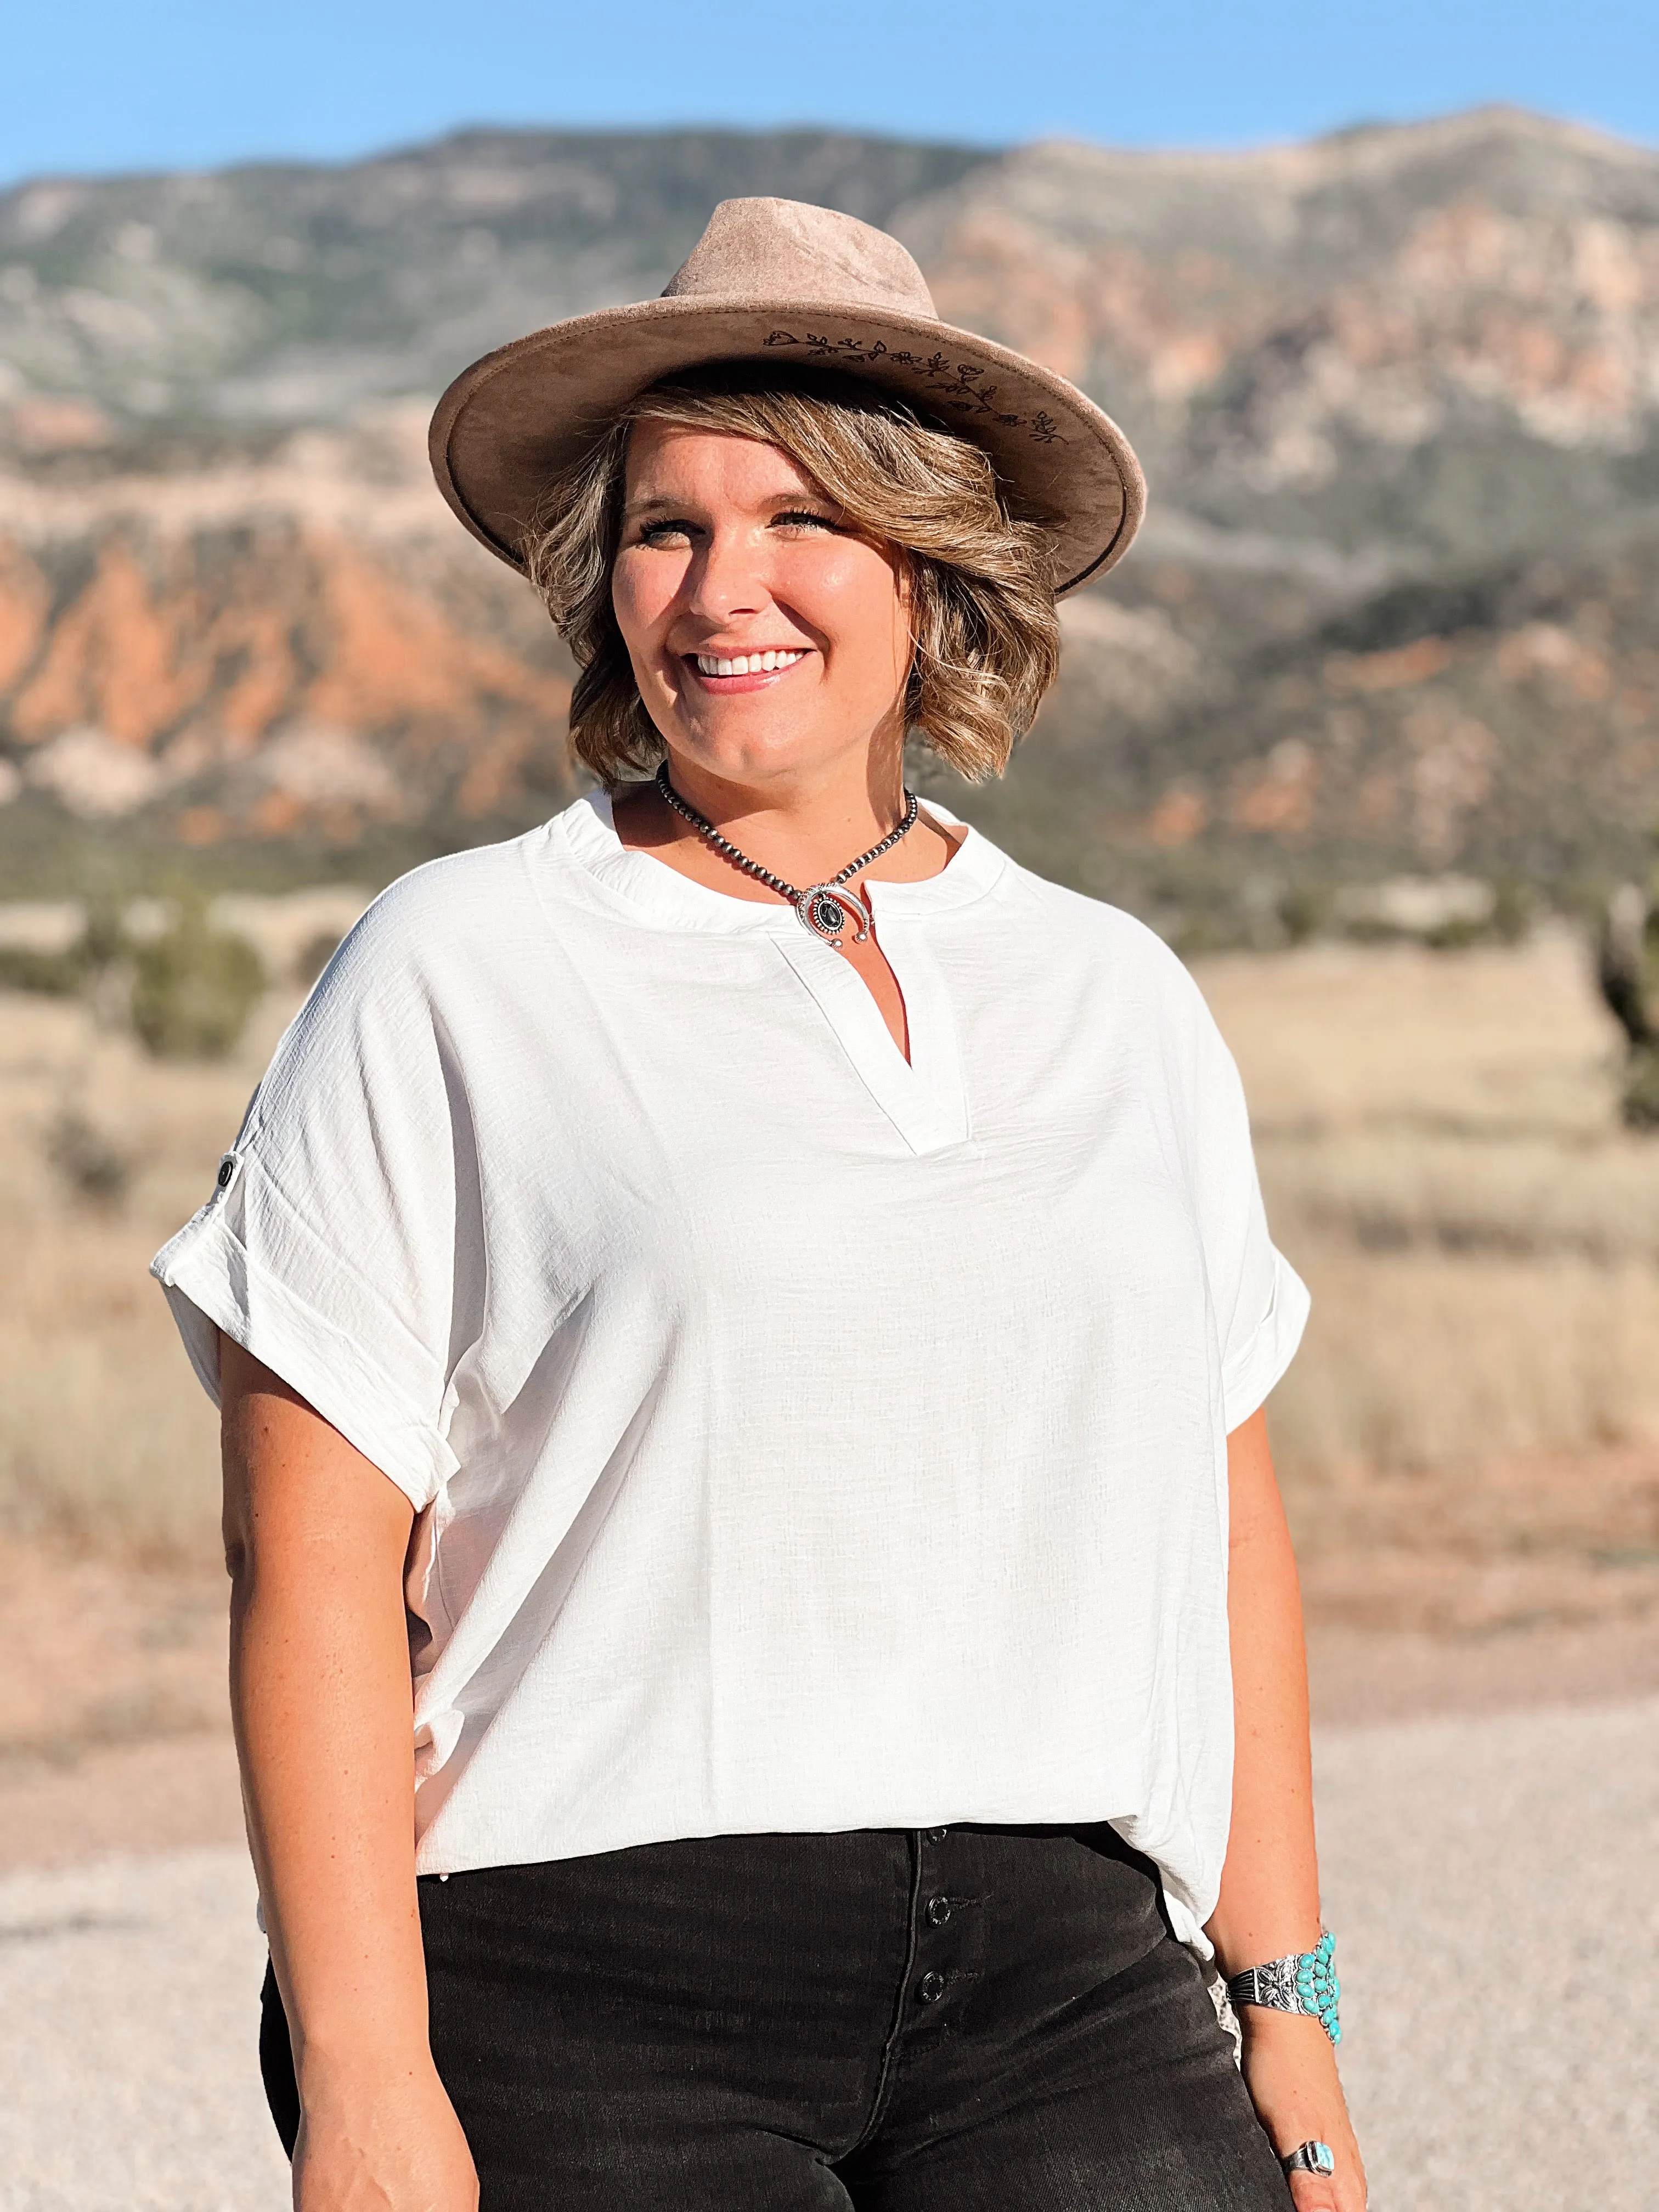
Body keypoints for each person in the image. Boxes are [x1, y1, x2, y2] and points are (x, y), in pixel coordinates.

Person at [153, 196, 1365, 2211]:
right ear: (599, 579)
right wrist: (365, 2083)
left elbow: (1224, 1528)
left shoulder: (1116, 994)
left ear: (931, 567)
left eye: (804, 516)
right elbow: (306, 1568)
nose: (727, 588)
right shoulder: (455, 966)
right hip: (582, 1975)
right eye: (666, 527)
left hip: (1070, 1978)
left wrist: (1292, 2014)